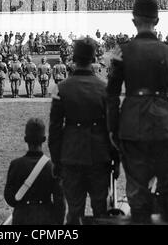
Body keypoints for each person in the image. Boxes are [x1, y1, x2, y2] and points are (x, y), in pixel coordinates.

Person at [106, 0, 168, 223]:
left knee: (137, 193)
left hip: (131, 126)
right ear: (157, 21)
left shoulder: (122, 53)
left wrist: (113, 127)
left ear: (134, 21)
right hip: (163, 126)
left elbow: (111, 95)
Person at [48, 38, 116, 224]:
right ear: (93, 58)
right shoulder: (104, 88)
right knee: (100, 211)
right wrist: (115, 161)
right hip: (99, 157)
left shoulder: (61, 88)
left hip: (71, 156)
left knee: (74, 211)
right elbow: (112, 128)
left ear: (74, 58)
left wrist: (56, 160)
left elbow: (54, 130)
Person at [4, 118, 65, 225]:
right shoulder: (52, 167)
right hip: (46, 217)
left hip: (21, 217)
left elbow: (9, 198)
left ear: (25, 139)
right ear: (44, 139)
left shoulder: (16, 165)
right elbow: (60, 202)